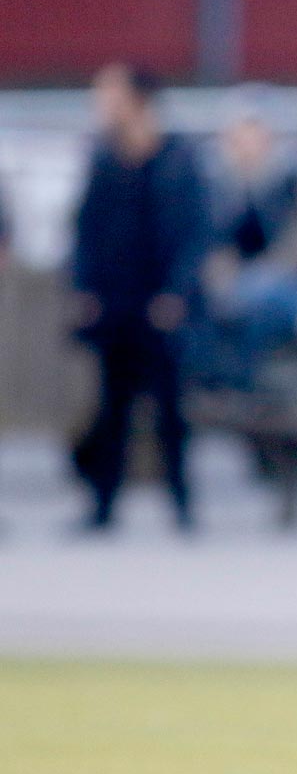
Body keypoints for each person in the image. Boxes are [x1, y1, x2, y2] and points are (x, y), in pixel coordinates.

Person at [69, 62, 211, 532]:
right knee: (111, 407)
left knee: (170, 409)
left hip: (163, 304)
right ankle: (103, 504)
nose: (101, 104)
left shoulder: (179, 158)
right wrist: (84, 288)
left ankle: (182, 505)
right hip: (114, 302)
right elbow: (84, 229)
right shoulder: (103, 157)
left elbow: (195, 233)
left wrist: (178, 293)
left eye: (109, 94)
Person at [197, 86, 297, 397]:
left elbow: (295, 250)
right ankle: (210, 384)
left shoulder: (288, 180)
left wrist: (259, 275)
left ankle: (241, 386)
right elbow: (213, 244)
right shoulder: (218, 182)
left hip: (280, 284)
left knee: (256, 305)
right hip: (230, 282)